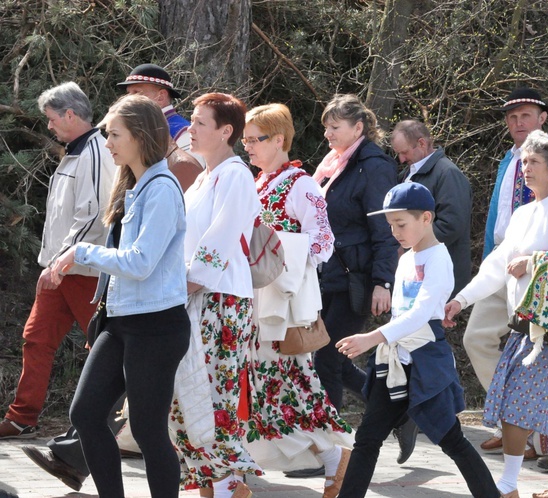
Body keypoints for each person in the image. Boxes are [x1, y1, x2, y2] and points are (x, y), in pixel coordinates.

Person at [47, 94, 191, 497]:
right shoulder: (134, 185)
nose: (107, 142)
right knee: (86, 414)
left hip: (157, 327)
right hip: (122, 321)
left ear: (140, 136)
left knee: (147, 431)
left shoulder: (162, 188)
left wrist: (81, 251)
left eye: (113, 134)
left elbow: (141, 262)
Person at [445, 130, 548, 498]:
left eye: (534, 162)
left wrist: (533, 261)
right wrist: (461, 300)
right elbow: (497, 265)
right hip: (525, 326)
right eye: (522, 161)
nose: (525, 168)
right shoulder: (525, 213)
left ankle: (508, 485)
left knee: (513, 402)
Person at [335, 182, 499, 498]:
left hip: (424, 362)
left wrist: (371, 338)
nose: (395, 231)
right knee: (367, 439)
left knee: (452, 441)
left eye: (401, 224)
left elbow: (421, 313)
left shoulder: (439, 259)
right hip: (395, 362)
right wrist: (380, 341)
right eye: (390, 225)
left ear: (426, 218)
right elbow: (403, 313)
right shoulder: (407, 257)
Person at [241, 103, 354, 497]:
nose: (248, 147)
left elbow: (323, 242)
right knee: (268, 384)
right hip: (256, 300)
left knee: (289, 381)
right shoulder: (260, 182)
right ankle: (327, 456)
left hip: (281, 304)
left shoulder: (301, 184)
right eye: (245, 139)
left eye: (255, 139)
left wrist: (278, 251)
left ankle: (331, 454)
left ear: (279, 140)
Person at [463, 87, 548, 456]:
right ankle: (515, 421)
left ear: (542, 119)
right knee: (476, 338)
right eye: (512, 117)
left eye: (525, 115)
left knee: (534, 350)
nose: (517, 122)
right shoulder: (509, 159)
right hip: (503, 260)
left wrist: (538, 264)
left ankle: (529, 430)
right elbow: (501, 217)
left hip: (538, 272)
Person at [0, 82, 116, 440]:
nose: (48, 126)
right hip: (60, 269)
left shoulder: (96, 151)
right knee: (36, 338)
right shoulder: (75, 151)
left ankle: (116, 425)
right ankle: (22, 417)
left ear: (69, 115)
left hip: (83, 271)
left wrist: (61, 262)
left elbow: (95, 213)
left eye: (51, 119)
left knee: (104, 348)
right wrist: (52, 264)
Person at [169, 93, 261, 497]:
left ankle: (228, 486)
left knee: (212, 394)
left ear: (227, 131)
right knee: (187, 395)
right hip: (194, 295)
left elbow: (220, 241)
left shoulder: (236, 174)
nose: (191, 129)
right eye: (192, 120)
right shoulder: (204, 176)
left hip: (220, 299)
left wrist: (182, 286)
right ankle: (213, 486)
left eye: (201, 122)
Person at [313, 95, 402, 450]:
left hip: (358, 277)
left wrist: (383, 282)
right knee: (330, 355)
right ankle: (398, 410)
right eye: (326, 127)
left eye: (335, 127)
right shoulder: (333, 164)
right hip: (327, 273)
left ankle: (330, 448)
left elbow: (385, 229)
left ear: (358, 128)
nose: (328, 134)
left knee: (327, 358)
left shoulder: (374, 166)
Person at [391, 120, 472, 296]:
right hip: (416, 270)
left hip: (441, 273)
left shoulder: (448, 173)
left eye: (404, 152)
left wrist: (407, 245)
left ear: (422, 143)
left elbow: (450, 225)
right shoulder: (407, 174)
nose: (401, 159)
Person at [117, 63, 204, 187]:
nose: (129, 99)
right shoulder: (133, 128)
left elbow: (190, 181)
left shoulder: (184, 132)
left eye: (136, 92)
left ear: (161, 96)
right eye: (128, 93)